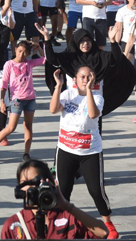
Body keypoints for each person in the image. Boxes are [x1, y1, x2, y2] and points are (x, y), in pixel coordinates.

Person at [49, 65, 118, 238]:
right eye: (82, 77)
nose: (85, 80)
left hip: (90, 152)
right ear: (75, 79)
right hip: (66, 150)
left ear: (93, 79)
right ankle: (62, 226)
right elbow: (53, 109)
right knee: (63, 191)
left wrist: (88, 91)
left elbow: (93, 114)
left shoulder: (97, 97)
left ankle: (108, 223)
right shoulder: (67, 94)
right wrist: (58, 86)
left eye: (88, 77)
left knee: (96, 191)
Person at [1, 159, 109, 239]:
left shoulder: (67, 217)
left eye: (35, 181)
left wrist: (67, 206)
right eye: (25, 183)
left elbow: (103, 233)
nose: (30, 187)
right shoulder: (14, 224)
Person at [0, 40, 44, 165]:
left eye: (25, 52)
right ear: (15, 49)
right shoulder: (9, 64)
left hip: (30, 99)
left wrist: (39, 47)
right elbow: (4, 84)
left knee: (28, 126)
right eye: (20, 51)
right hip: (17, 100)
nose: (22, 55)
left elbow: (45, 59)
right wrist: (2, 101)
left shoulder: (29, 63)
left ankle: (26, 153)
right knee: (11, 127)